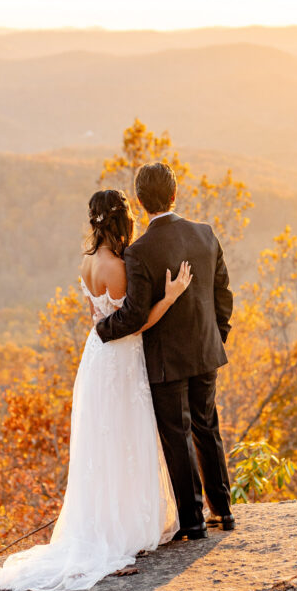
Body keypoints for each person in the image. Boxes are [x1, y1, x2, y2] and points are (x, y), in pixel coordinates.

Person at [0, 188, 188, 591]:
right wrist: (171, 296)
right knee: (128, 434)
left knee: (104, 440)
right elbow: (134, 323)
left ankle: (106, 519)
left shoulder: (87, 263)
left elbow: (96, 317)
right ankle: (128, 524)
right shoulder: (119, 267)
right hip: (120, 355)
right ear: (121, 222)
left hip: (95, 357)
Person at [96, 162, 234, 540]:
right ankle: (222, 511)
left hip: (165, 361)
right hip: (206, 351)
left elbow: (134, 314)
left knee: (178, 435)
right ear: (175, 194)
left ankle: (192, 521)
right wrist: (217, 336)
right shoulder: (205, 234)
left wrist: (101, 328)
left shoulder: (139, 252)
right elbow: (223, 293)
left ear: (140, 202)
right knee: (208, 429)